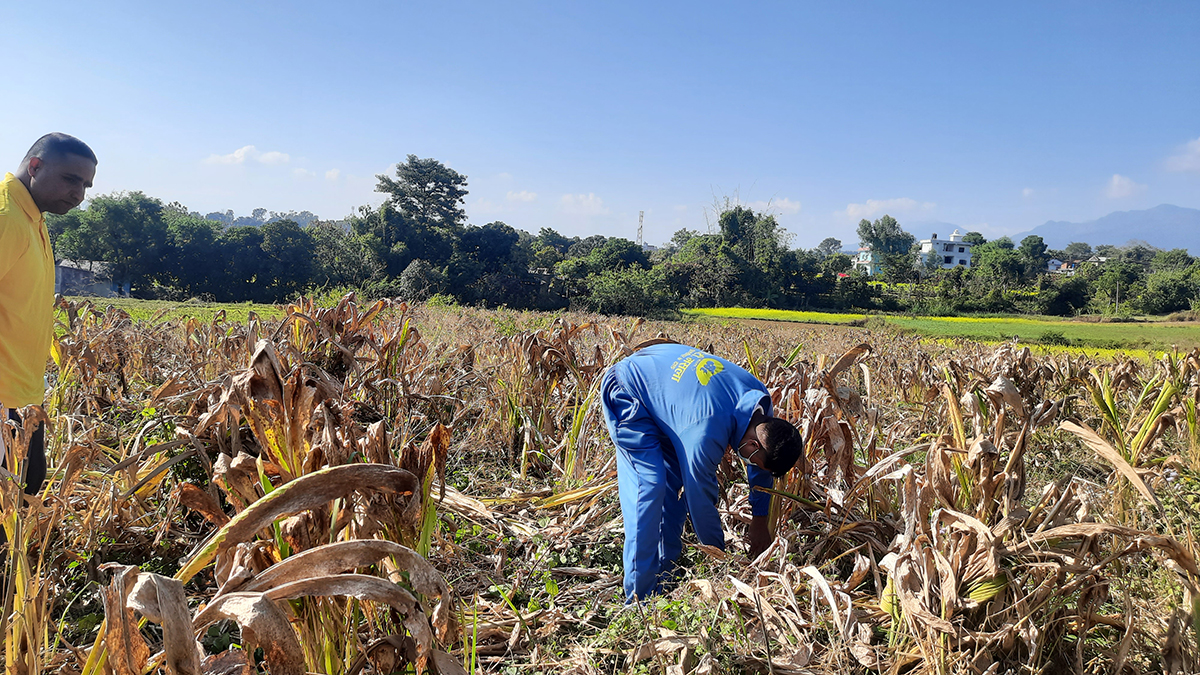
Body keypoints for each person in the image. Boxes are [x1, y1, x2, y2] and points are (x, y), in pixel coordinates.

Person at [601, 342, 804, 602]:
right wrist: (719, 560)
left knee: (671, 491)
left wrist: (760, 521)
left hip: (667, 390)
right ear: (753, 445)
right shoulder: (705, 432)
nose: (751, 465)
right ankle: (639, 599)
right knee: (650, 487)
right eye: (754, 461)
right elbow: (700, 501)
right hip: (629, 389)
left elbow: (761, 472)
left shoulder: (760, 405)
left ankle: (666, 576)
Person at [0, 133, 97, 496]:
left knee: (26, 489)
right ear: (35, 166)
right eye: (71, 179)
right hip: (3, 395)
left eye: (86, 185)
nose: (79, 195)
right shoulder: (7, 217)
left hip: (23, 394)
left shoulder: (32, 218)